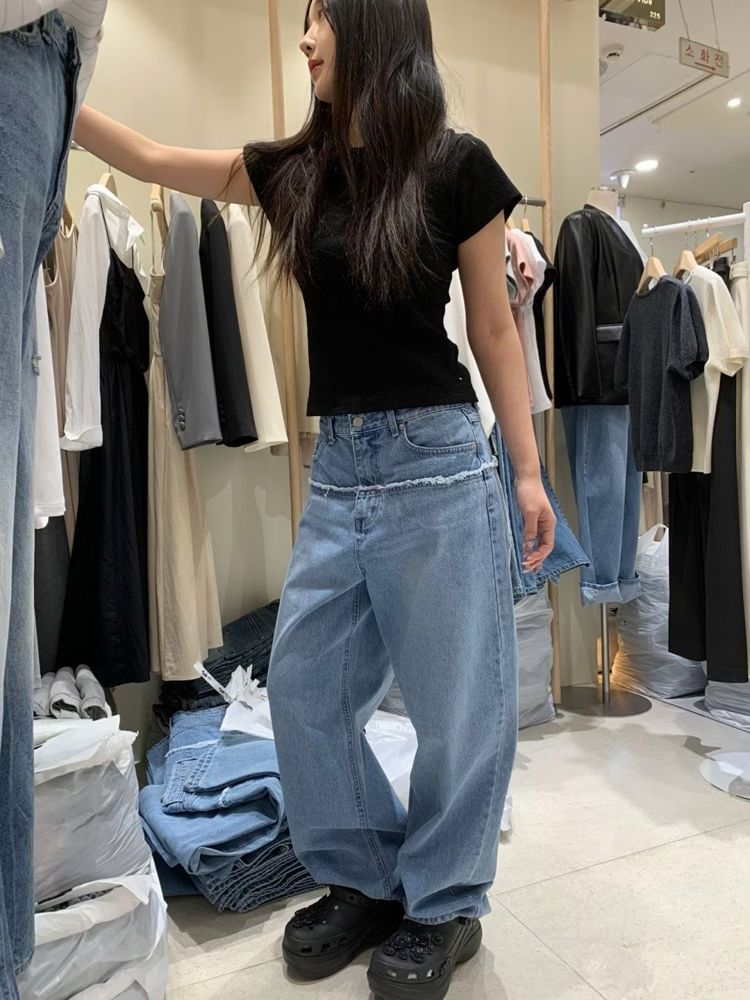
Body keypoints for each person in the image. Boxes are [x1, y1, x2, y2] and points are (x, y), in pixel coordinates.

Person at [75, 0, 555, 996]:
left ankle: (445, 901)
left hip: (439, 463)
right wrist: (53, 91)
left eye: (322, 16)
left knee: (457, 710)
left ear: (376, 24)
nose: (305, 38)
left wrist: (526, 471)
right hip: (339, 470)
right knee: (301, 690)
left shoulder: (457, 166)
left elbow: (493, 330)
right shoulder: (297, 170)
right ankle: (368, 877)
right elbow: (155, 156)